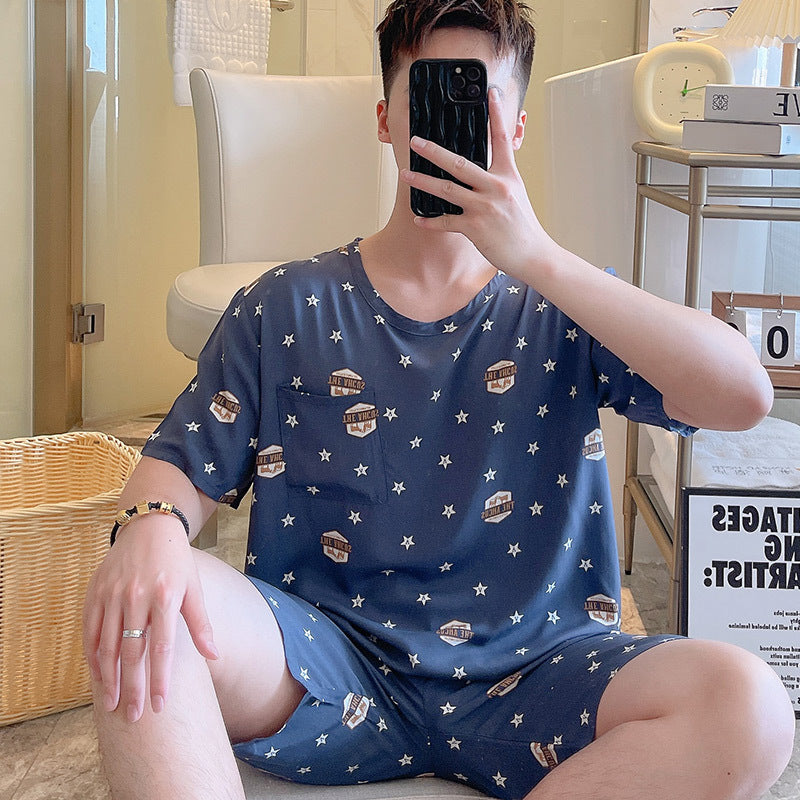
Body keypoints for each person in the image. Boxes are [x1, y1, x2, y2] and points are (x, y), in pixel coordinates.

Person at [83, 2, 796, 799]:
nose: (450, 127)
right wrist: (149, 530)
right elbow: (177, 466)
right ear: (385, 119)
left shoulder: (563, 305)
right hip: (327, 665)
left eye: (480, 103)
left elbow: (744, 396)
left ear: (515, 129)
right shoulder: (284, 306)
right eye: (430, 95)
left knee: (752, 710)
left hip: (542, 667)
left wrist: (538, 256)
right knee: (141, 598)